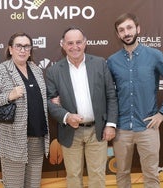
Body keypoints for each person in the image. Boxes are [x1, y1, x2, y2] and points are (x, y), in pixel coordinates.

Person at [107, 13, 163, 188]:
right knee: (122, 175)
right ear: (118, 35)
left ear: (138, 29)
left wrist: (162, 114)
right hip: (121, 129)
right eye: (121, 30)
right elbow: (108, 94)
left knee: (151, 175)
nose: (126, 33)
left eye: (129, 28)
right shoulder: (112, 61)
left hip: (148, 128)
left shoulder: (154, 55)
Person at [46, 26, 118, 188]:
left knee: (97, 175)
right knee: (72, 176)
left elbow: (111, 96)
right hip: (70, 132)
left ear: (85, 43)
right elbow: (50, 103)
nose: (75, 47)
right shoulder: (54, 71)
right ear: (63, 45)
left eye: (79, 42)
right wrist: (66, 116)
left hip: (97, 130)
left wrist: (111, 124)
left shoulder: (100, 64)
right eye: (70, 43)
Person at [0, 32, 50, 188]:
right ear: (10, 49)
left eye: (26, 46)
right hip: (13, 140)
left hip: (37, 136)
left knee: (33, 184)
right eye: (18, 46)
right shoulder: (0, 70)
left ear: (30, 50)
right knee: (14, 185)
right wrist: (9, 96)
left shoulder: (36, 70)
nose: (23, 50)